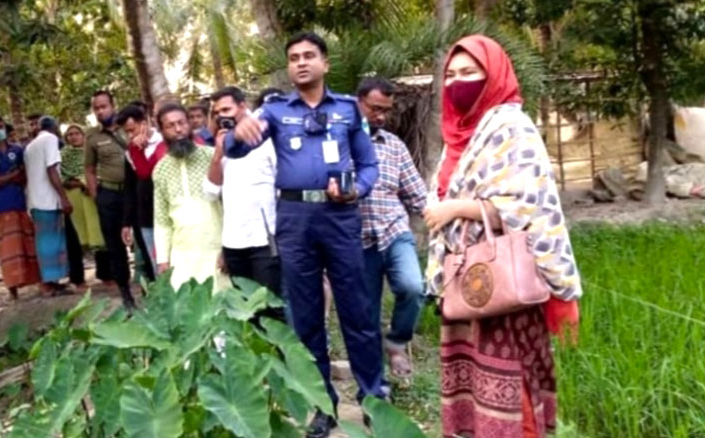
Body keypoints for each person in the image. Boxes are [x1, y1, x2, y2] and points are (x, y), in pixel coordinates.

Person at [224, 32, 385, 437]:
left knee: (357, 310)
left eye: (309, 55)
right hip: (294, 218)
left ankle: (373, 399)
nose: (301, 62)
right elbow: (236, 148)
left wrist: (357, 190)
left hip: (340, 217)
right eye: (294, 57)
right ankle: (321, 405)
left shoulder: (349, 110)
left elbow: (369, 166)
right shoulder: (275, 111)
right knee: (306, 316)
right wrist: (236, 133)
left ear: (325, 63)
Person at [423, 35, 581, 438]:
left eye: (470, 73)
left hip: (501, 284)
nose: (457, 82)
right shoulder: (458, 133)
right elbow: (449, 187)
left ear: (492, 75)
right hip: (464, 282)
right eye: (451, 75)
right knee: (477, 390)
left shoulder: (511, 127)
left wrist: (455, 209)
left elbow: (529, 204)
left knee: (513, 391)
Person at [355, 77, 428, 380]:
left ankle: (397, 342)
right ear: (357, 103)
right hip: (358, 243)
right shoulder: (337, 145)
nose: (381, 116)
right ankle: (376, 384)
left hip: (394, 232)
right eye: (374, 109)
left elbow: (416, 194)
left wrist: (436, 219)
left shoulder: (394, 145)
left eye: (386, 110)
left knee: (413, 287)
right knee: (366, 314)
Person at [205, 86, 284, 321]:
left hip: (264, 240)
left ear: (242, 106)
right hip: (233, 242)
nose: (222, 116)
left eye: (227, 109)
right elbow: (210, 191)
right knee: (245, 311)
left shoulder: (266, 140)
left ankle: (281, 358)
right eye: (217, 112)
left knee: (271, 308)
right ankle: (254, 358)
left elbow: (282, 187)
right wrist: (219, 154)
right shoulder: (222, 143)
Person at [153, 103, 223, 289]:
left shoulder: (212, 157)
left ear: (189, 124)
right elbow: (161, 220)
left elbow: (230, 206)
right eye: (170, 126)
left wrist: (227, 250)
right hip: (181, 256)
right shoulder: (160, 170)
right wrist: (162, 260)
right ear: (161, 130)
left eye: (181, 123)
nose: (178, 129)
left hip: (215, 252)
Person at [0, 115, 41, 299]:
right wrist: (11, 177)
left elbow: (25, 175)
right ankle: (12, 289)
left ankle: (34, 282)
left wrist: (7, 178)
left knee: (27, 243)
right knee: (7, 248)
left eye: (0, 126)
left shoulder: (17, 150)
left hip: (19, 202)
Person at [84, 90, 136, 309]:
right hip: (109, 195)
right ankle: (125, 294)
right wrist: (97, 196)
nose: (100, 111)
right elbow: (89, 169)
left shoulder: (129, 129)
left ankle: (150, 286)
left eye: (104, 106)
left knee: (142, 239)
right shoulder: (93, 137)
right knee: (115, 246)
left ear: (113, 106)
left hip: (134, 193)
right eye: (96, 108)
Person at [116, 104, 168, 282]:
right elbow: (130, 187)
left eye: (133, 129)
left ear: (145, 122)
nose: (130, 135)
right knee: (157, 265)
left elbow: (151, 173)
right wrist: (126, 222)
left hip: (170, 213)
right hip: (146, 216)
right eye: (126, 132)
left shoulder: (166, 142)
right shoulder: (130, 152)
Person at [24, 116, 73, 295]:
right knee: (50, 242)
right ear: (54, 127)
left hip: (36, 200)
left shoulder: (31, 146)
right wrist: (64, 198)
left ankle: (53, 281)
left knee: (47, 241)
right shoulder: (50, 140)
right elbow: (52, 170)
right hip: (47, 199)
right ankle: (47, 283)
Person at [62, 124, 113, 291]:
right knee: (76, 240)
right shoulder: (63, 156)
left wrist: (90, 184)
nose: (73, 137)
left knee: (99, 235)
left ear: (83, 135)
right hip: (74, 200)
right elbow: (63, 179)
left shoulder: (92, 152)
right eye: (70, 135)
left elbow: (99, 172)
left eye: (77, 133)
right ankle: (78, 280)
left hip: (92, 198)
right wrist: (80, 183)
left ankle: (105, 275)